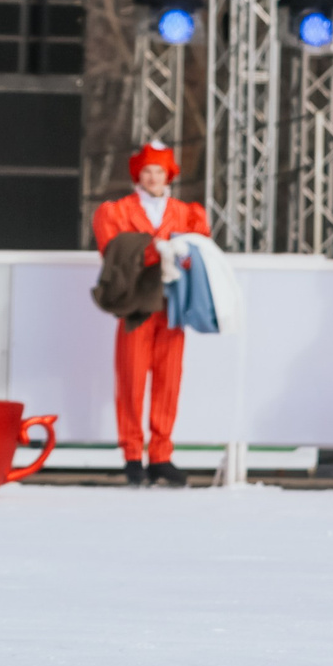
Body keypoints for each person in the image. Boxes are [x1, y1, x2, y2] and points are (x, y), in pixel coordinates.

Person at [89, 140, 209, 487]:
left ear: (168, 174)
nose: (153, 177)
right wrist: (154, 249)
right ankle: (131, 454)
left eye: (158, 170)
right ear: (137, 175)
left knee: (169, 382)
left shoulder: (185, 212)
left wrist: (179, 251)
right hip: (137, 307)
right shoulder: (118, 210)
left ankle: (161, 455)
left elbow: (199, 248)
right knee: (131, 381)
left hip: (172, 307)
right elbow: (112, 251)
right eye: (147, 170)